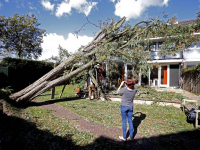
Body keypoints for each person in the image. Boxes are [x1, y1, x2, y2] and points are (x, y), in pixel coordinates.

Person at [117, 77, 137, 141]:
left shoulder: (124, 89)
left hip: (124, 107)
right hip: (130, 107)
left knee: (124, 122)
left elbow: (117, 92)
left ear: (126, 83)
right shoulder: (135, 90)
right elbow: (132, 88)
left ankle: (124, 137)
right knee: (130, 122)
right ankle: (131, 137)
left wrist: (121, 84)